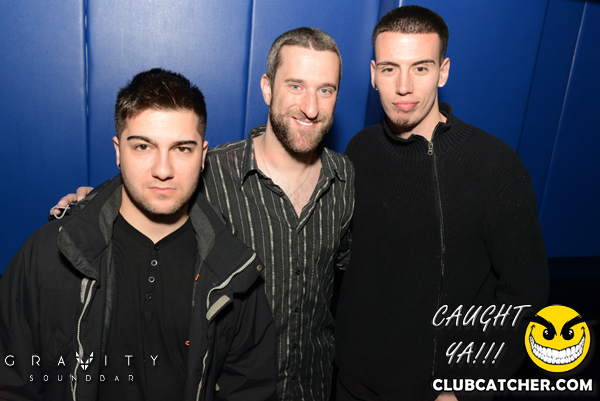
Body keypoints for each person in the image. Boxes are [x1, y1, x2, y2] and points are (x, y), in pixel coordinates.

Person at [50, 28, 354, 401]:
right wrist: (87, 201)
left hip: (315, 388)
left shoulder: (345, 179)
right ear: (267, 88)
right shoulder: (212, 172)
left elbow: (347, 278)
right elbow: (148, 182)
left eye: (326, 90)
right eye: (296, 86)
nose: (311, 107)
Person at [0, 68, 276, 401]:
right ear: (119, 151)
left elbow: (249, 389)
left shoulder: (232, 268)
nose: (163, 170)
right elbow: (11, 382)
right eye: (143, 146)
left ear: (203, 157)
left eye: (182, 149)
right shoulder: (47, 253)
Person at [334, 6, 549, 401]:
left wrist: (467, 387)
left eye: (420, 68)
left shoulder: (495, 165)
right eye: (390, 69)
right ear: (373, 74)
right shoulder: (359, 150)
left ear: (443, 71)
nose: (403, 87)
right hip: (351, 382)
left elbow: (526, 296)